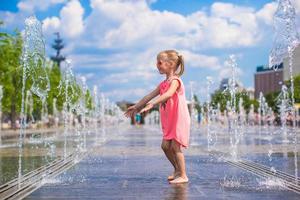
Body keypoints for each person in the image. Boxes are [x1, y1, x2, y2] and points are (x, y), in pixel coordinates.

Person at [125, 50, 190, 184]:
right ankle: (177, 170)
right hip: (169, 119)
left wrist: (152, 104)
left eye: (159, 62)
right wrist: (137, 106)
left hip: (178, 119)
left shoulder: (175, 81)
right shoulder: (163, 84)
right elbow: (149, 96)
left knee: (175, 147)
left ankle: (183, 175)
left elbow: (168, 94)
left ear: (171, 64)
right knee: (165, 146)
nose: (157, 65)